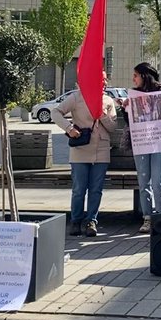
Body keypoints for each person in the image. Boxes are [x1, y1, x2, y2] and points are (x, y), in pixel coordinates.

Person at [52, 70, 117, 237]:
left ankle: (91, 221)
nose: (104, 82)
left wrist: (102, 115)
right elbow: (56, 112)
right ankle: (76, 221)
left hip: (101, 149)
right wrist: (69, 128)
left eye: (105, 80)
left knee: (96, 189)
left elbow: (112, 128)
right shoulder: (77, 97)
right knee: (79, 189)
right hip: (80, 149)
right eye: (101, 79)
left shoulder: (108, 100)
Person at [122, 62, 161, 234]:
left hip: (159, 142)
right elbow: (129, 123)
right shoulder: (134, 95)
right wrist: (125, 109)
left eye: (135, 75)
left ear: (144, 76)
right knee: (143, 180)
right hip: (141, 142)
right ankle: (147, 218)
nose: (133, 79)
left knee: (158, 181)